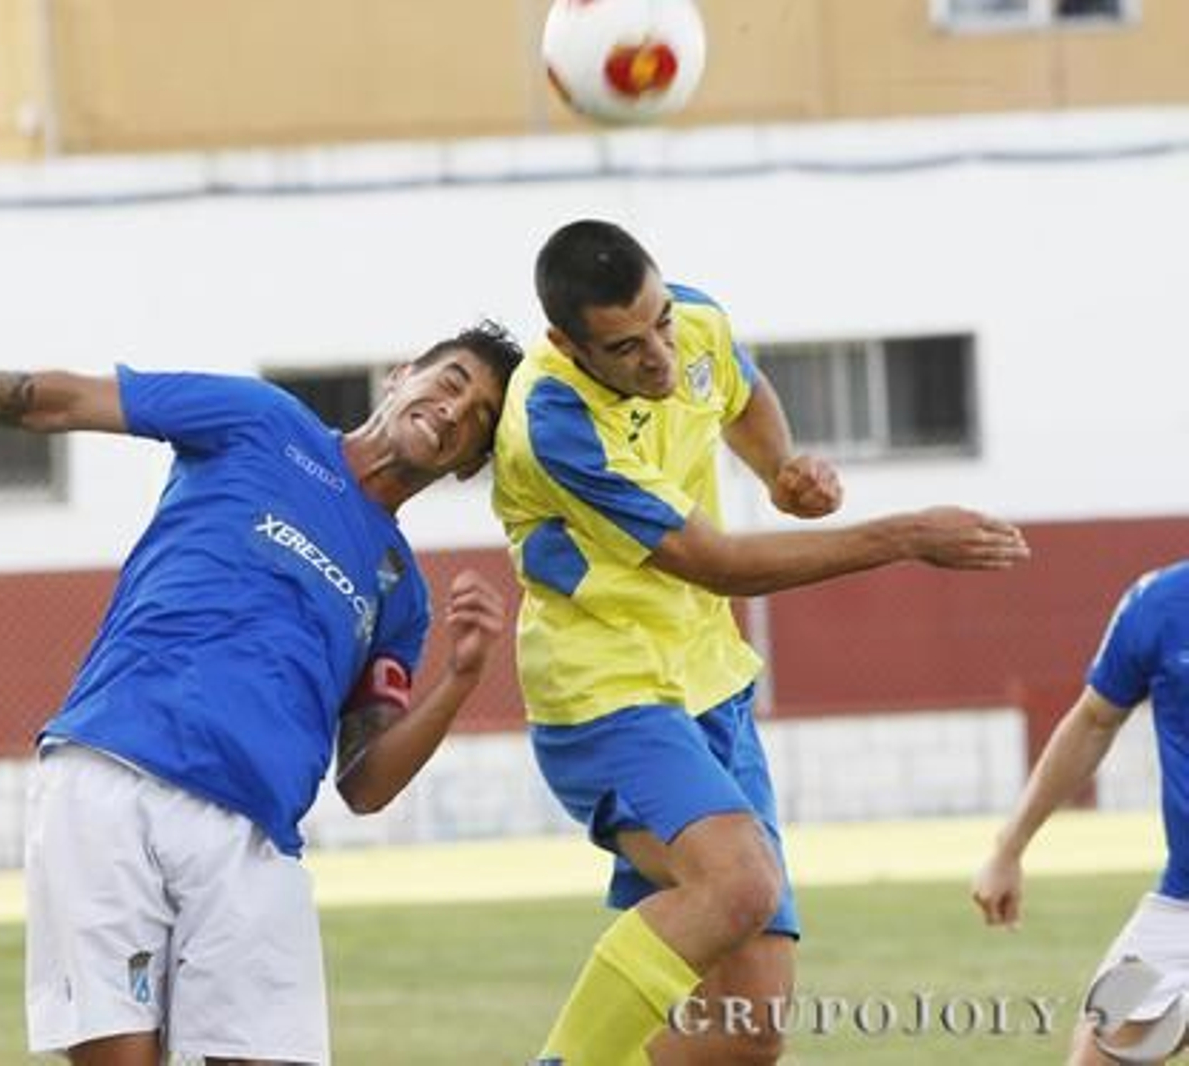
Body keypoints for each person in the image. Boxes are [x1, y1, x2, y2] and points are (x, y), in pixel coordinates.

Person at [0, 321, 523, 1066]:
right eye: (452, 381)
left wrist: (461, 678)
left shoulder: (401, 593)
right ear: (401, 374)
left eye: (480, 418)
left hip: (253, 841)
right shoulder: (262, 420)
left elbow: (365, 785)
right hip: (110, 778)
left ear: (471, 465)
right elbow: (60, 400)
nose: (454, 411)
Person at [490, 218, 1031, 1065]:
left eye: (661, 323)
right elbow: (718, 564)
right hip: (607, 694)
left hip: (712, 687)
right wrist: (904, 535)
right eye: (627, 348)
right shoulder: (553, 421)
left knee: (748, 1034)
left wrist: (780, 469)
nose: (661, 357)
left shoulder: (694, 320)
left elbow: (737, 389)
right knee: (739, 882)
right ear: (568, 343)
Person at [974, 560, 1189, 1066]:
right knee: (1098, 1050)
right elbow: (1093, 721)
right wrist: (1008, 848)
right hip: (1181, 908)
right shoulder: (1159, 603)